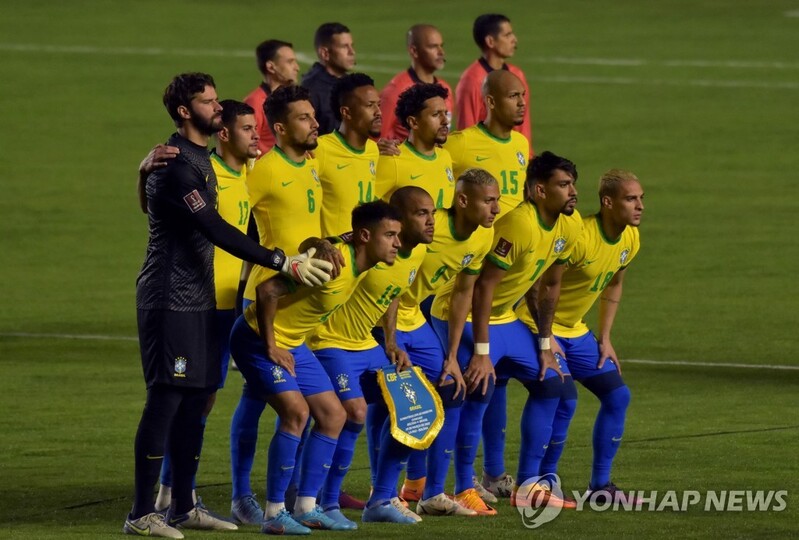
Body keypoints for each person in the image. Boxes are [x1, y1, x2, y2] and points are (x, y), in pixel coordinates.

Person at [126, 73, 332, 539]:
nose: (217, 107)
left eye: (218, 100)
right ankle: (142, 512)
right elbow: (214, 228)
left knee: (198, 399)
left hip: (205, 301)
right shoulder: (177, 165)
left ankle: (182, 504)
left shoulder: (200, 159)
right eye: (208, 101)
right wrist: (282, 261)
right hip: (170, 300)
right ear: (184, 111)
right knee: (166, 400)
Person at [229, 201, 403, 535]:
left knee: (335, 416)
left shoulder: (352, 253)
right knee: (296, 413)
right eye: (390, 235)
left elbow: (326, 241)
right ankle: (274, 513)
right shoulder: (333, 265)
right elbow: (267, 291)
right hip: (256, 338)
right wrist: (270, 346)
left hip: (295, 343)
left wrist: (317, 243)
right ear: (367, 236)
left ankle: (307, 507)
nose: (397, 242)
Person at [229, 84, 344, 525]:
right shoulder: (262, 171)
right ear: (279, 128)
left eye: (314, 116)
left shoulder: (310, 164)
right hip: (265, 299)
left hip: (298, 303)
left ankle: (294, 502)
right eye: (304, 118)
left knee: (274, 401)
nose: (315, 123)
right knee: (257, 403)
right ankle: (244, 497)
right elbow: (228, 224)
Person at [139, 100, 260, 515]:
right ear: (224, 133)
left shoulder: (249, 174)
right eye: (247, 128)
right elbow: (165, 213)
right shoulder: (202, 174)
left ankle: (181, 497)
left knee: (205, 396)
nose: (255, 136)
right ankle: (167, 494)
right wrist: (144, 173)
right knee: (185, 398)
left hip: (233, 303)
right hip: (192, 301)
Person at [454, 151, 583, 512]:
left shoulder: (568, 227)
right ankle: (465, 486)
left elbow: (546, 285)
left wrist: (544, 341)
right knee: (478, 389)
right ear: (539, 191)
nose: (572, 192)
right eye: (563, 185)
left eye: (573, 184)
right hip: (469, 317)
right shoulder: (518, 225)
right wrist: (481, 351)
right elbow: (483, 287)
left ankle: (529, 486)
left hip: (507, 319)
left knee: (552, 384)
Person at [307, 186, 435, 526]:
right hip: (331, 341)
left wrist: (391, 342)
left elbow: (393, 294)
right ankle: (326, 501)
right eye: (423, 214)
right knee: (355, 413)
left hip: (366, 343)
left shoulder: (412, 254)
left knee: (412, 409)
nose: (432, 222)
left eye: (432, 213)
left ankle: (380, 499)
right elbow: (328, 247)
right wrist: (318, 242)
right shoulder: (364, 246)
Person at [376, 169, 500, 517]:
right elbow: (390, 285)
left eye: (497, 200)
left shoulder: (481, 237)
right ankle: (383, 491)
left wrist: (451, 356)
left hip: (416, 318)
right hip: (384, 317)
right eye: (489, 201)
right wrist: (390, 339)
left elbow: (463, 292)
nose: (496, 209)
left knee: (451, 388)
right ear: (462, 201)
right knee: (397, 403)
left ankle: (431, 493)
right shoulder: (423, 231)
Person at [516, 169, 644, 502]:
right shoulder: (579, 237)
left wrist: (605, 337)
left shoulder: (631, 238)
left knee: (618, 396)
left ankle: (600, 488)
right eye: (631, 199)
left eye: (641, 198)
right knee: (563, 396)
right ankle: (536, 484)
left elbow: (614, 285)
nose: (640, 206)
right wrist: (546, 336)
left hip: (576, 331)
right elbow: (539, 283)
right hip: (538, 324)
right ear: (607, 202)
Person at [445, 70, 529, 218]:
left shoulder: (521, 143)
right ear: (491, 102)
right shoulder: (462, 143)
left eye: (523, 95)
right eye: (513, 96)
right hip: (480, 239)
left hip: (512, 238)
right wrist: (391, 149)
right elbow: (419, 157)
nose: (522, 102)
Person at [455, 13, 533, 156]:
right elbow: (466, 131)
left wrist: (528, 159)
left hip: (514, 157)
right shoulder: (472, 80)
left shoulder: (517, 75)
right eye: (507, 35)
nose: (514, 39)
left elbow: (523, 126)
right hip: (486, 161)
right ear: (491, 41)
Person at [317, 72, 381, 238]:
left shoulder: (373, 150)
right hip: (331, 259)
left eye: (378, 105)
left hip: (360, 259)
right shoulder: (320, 150)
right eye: (370, 105)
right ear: (346, 112)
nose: (378, 112)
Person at [375, 83, 455, 210]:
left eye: (446, 113)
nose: (445, 121)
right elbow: (363, 209)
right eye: (436, 114)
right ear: (413, 122)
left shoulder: (445, 156)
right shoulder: (393, 160)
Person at [380, 24, 453, 143]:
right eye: (433, 46)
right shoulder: (395, 91)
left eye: (441, 46)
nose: (441, 52)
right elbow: (377, 140)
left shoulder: (445, 89)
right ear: (414, 51)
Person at [244, 39, 301, 156]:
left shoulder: (295, 100)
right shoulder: (255, 103)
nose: (297, 68)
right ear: (271, 67)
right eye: (290, 62)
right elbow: (246, 146)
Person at [301, 22, 356, 135]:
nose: (352, 52)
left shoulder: (350, 83)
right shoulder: (312, 89)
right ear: (325, 53)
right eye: (344, 46)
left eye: (352, 45)